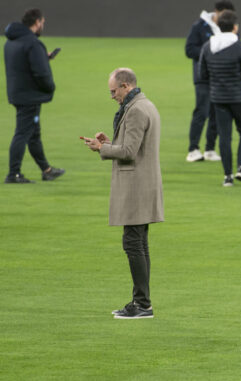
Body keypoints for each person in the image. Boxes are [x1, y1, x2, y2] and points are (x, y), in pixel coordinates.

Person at [82, 68, 164, 319]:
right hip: (143, 183)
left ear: (126, 86)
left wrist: (103, 148)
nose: (112, 96)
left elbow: (129, 151)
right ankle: (142, 302)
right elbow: (130, 144)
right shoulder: (144, 104)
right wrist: (110, 142)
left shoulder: (137, 110)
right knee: (139, 243)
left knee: (133, 243)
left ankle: (142, 304)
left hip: (136, 186)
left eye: (114, 91)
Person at [3, 8, 64, 183]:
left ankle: (47, 170)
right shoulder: (33, 43)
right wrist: (50, 87)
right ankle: (13, 174)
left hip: (18, 93)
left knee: (33, 133)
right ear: (36, 22)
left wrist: (43, 57)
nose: (43, 26)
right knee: (22, 133)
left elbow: (23, 64)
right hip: (29, 96)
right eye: (43, 23)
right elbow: (41, 74)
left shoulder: (12, 42)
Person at [199, 11, 241, 186]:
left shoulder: (208, 46)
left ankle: (227, 177)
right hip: (238, 97)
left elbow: (202, 74)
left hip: (218, 98)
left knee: (224, 136)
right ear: (235, 27)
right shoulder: (240, 47)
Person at [184, 1, 235, 163]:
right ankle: (193, 149)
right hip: (203, 77)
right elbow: (189, 49)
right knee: (202, 111)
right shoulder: (199, 26)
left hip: (220, 78)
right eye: (225, 14)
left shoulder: (228, 26)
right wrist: (211, 52)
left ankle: (210, 149)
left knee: (216, 113)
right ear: (217, 11)